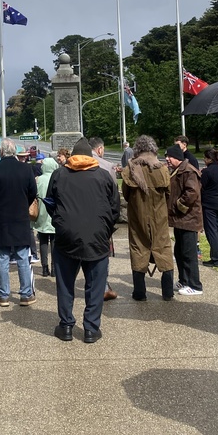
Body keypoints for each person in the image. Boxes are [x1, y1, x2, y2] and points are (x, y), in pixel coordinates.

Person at [46, 137, 120, 343]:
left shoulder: (59, 174)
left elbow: (50, 202)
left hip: (66, 236)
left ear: (72, 156)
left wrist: (60, 222)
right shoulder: (103, 176)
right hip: (97, 236)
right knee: (95, 285)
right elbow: (115, 208)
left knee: (65, 284)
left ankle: (66, 326)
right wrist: (105, 229)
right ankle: (91, 328)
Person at [0, 138, 38, 307]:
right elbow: (32, 192)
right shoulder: (26, 169)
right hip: (20, 218)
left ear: (0, 151)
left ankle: (3, 295)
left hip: (1, 219)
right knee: (22, 257)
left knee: (2, 259)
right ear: (14, 151)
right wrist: (23, 204)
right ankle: (26, 294)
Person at [120, 135, 174, 301]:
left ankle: (139, 292)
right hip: (159, 216)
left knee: (138, 249)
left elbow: (126, 195)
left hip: (138, 216)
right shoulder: (161, 168)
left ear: (137, 149)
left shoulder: (130, 169)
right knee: (163, 248)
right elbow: (168, 193)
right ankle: (167, 292)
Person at [165, 144, 203, 295]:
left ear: (177, 157)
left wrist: (178, 206)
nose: (167, 159)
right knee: (179, 252)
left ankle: (195, 285)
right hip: (180, 220)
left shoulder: (188, 171)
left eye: (169, 156)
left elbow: (192, 192)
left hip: (188, 219)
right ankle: (184, 281)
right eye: (166, 156)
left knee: (189, 253)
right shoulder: (178, 170)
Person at [89, 136, 119, 301]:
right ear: (99, 149)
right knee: (102, 254)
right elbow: (114, 197)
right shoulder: (107, 167)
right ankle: (103, 286)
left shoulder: (70, 166)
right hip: (102, 218)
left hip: (80, 217)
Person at [201, 147, 218, 267]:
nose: (204, 160)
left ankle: (216, 258)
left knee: (211, 231)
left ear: (209, 159)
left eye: (205, 158)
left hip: (209, 204)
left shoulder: (207, 172)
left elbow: (202, 186)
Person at [33, 156, 59, 276]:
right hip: (54, 212)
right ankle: (54, 268)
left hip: (42, 212)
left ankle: (44, 267)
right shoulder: (57, 178)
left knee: (43, 240)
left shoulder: (38, 179)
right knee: (54, 241)